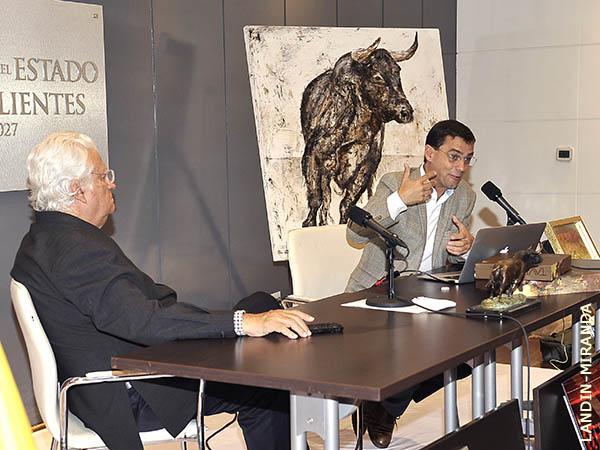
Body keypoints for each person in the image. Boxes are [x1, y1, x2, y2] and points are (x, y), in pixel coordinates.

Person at [11, 131, 314, 450]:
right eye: (103, 176)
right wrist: (242, 323)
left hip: (106, 380)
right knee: (268, 388)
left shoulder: (42, 238)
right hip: (134, 391)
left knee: (260, 303)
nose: (112, 183)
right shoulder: (77, 250)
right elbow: (141, 321)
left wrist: (241, 319)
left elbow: (135, 309)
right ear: (78, 190)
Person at [346, 119, 476, 448]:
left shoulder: (465, 196)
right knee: (424, 347)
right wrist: (400, 200)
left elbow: (452, 258)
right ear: (430, 153)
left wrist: (466, 249)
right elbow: (354, 234)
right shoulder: (394, 183)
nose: (461, 167)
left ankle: (382, 406)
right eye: (454, 156)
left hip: (427, 297)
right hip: (377, 295)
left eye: (467, 159)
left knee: (464, 356)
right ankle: (383, 405)